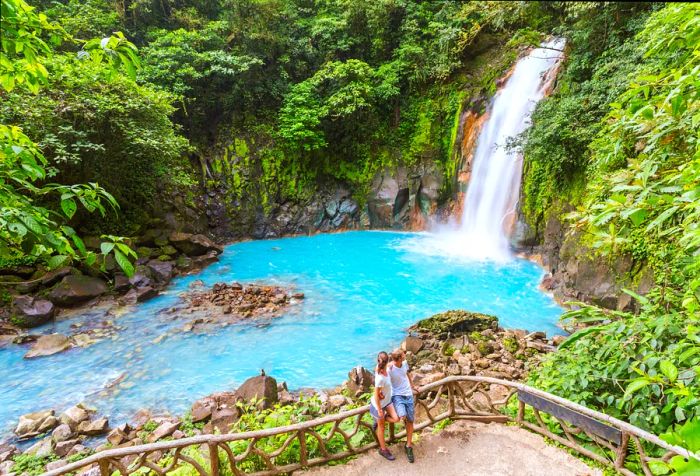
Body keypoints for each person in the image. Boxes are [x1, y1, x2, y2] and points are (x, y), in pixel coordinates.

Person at [388, 348, 419, 463]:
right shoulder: (390, 368)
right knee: (402, 416)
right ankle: (383, 418)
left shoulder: (404, 363)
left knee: (410, 421)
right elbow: (379, 373)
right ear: (399, 357)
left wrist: (413, 385)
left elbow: (407, 374)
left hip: (408, 394)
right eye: (403, 354)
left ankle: (408, 445)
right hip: (397, 396)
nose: (405, 355)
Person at [369, 351, 399, 460]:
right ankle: (383, 450)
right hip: (379, 406)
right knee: (381, 428)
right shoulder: (380, 378)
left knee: (396, 418)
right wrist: (379, 410)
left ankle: (377, 421)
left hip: (387, 402)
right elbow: (376, 395)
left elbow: (387, 366)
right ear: (387, 361)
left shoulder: (381, 368)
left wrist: (394, 363)